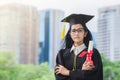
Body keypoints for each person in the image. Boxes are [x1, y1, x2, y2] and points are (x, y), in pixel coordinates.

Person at [54, 14, 103, 80]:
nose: (76, 33)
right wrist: (82, 72)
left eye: (80, 30)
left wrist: (68, 72)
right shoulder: (62, 54)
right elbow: (60, 77)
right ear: (70, 34)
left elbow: (95, 76)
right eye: (73, 31)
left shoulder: (93, 53)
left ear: (85, 33)